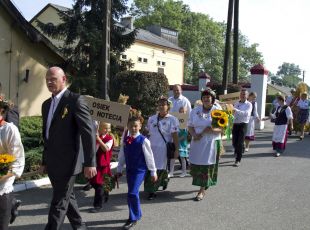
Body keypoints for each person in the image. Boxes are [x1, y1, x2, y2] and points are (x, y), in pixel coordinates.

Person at [41, 66, 97, 230]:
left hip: (69, 163)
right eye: (47, 79)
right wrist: (45, 160)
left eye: (53, 79)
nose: (50, 82)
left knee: (58, 203)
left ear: (64, 79)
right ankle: (80, 228)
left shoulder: (75, 100)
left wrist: (90, 162)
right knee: (67, 199)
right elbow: (47, 135)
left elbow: (88, 133)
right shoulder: (46, 105)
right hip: (53, 163)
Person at [117, 109, 157, 229]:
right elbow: (122, 155)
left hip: (139, 170)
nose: (133, 128)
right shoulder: (126, 139)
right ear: (128, 127)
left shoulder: (143, 140)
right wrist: (119, 169)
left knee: (132, 193)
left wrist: (153, 171)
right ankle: (137, 213)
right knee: (131, 193)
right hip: (130, 170)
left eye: (135, 126)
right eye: (131, 126)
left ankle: (133, 218)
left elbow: (150, 157)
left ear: (140, 126)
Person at [188, 88, 223, 201]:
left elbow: (222, 128)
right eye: (204, 97)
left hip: (211, 143)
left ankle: (201, 191)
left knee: (205, 167)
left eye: (208, 97)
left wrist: (211, 129)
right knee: (195, 167)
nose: (206, 99)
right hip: (197, 142)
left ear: (212, 99)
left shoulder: (217, 110)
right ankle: (205, 183)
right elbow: (190, 125)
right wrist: (194, 134)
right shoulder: (195, 110)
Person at [144, 97, 179, 200]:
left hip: (163, 149)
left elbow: (175, 136)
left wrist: (177, 149)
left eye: (164, 104)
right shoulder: (152, 119)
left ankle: (152, 191)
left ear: (168, 106)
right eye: (159, 104)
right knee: (150, 168)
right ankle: (160, 183)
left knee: (159, 168)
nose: (161, 106)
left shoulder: (173, 119)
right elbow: (146, 133)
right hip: (151, 148)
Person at [0, 98, 25, 230]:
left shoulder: (9, 130)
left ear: (2, 109)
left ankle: (11, 205)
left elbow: (17, 163)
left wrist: (2, 176)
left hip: (2, 190)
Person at [89, 122, 114, 213]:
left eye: (109, 128)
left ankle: (97, 205)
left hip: (103, 165)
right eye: (105, 128)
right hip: (95, 164)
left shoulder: (109, 138)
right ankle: (105, 192)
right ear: (99, 128)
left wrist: (98, 139)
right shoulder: (95, 136)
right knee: (93, 182)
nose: (107, 130)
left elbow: (106, 149)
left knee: (99, 185)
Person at [232, 88, 252, 167]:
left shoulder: (249, 104)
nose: (243, 95)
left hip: (243, 124)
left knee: (239, 143)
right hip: (235, 123)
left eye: (244, 94)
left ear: (247, 96)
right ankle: (240, 148)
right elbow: (233, 113)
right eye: (241, 94)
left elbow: (246, 114)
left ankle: (238, 159)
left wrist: (235, 110)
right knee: (234, 142)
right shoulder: (236, 103)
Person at [177, 107, 189, 177]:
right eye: (180, 112)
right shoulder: (179, 120)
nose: (182, 113)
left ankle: (184, 172)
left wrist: (179, 139)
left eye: (183, 112)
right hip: (177, 140)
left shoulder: (186, 121)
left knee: (182, 156)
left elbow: (185, 133)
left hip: (182, 141)